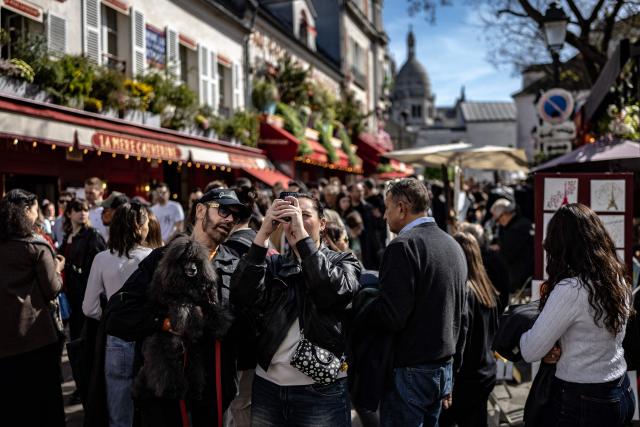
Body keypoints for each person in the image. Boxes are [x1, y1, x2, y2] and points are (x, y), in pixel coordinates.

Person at [104, 188, 248, 427]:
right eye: (223, 210)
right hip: (167, 392)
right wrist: (165, 321)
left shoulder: (236, 265)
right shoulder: (162, 259)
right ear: (200, 210)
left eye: (235, 214)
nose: (230, 219)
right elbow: (117, 314)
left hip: (216, 393)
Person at [231, 193, 361, 426]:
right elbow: (242, 294)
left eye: (304, 215)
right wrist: (263, 233)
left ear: (323, 224)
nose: (295, 221)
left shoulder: (344, 261)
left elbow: (330, 291)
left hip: (322, 390)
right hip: (268, 387)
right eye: (290, 216)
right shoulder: (276, 264)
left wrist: (302, 239)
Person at [363, 178, 467, 427]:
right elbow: (463, 317)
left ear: (402, 208)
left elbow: (393, 315)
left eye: (387, 208)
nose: (385, 216)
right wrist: (451, 373)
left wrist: (362, 302)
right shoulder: (453, 244)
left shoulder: (402, 246)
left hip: (410, 370)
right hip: (442, 367)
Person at [520, 203, 635, 427]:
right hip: (620, 388)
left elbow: (530, 350)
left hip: (583, 398)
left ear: (560, 246)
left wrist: (526, 337)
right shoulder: (616, 277)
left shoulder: (571, 289)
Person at [0, 189, 66, 427]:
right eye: (35, 209)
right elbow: (52, 288)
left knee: (12, 401)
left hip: (5, 339)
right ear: (27, 211)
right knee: (45, 399)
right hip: (36, 335)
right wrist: (58, 268)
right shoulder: (36, 246)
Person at [82, 202, 151, 427]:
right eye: (147, 223)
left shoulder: (102, 259)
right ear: (139, 227)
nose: (149, 227)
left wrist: (110, 317)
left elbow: (89, 308)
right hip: (148, 336)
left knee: (119, 411)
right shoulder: (150, 257)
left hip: (116, 338)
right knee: (150, 408)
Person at [441, 232, 499, 427]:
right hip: (485, 371)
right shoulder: (487, 289)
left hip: (466, 377)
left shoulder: (465, 292)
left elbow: (459, 338)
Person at [61, 198, 107, 340]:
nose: (83, 213)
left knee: (85, 335)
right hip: (69, 293)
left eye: (86, 210)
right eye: (78, 209)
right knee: (73, 334)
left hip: (85, 291)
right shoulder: (67, 236)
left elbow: (99, 266)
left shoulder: (93, 235)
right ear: (69, 213)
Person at [490, 198, 533, 293]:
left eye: (497, 219)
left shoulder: (517, 229)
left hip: (518, 275)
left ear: (505, 214)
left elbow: (505, 255)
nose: (498, 223)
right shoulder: (520, 223)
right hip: (520, 271)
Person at [85, 177, 109, 241]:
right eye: (86, 193)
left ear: (101, 193)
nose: (87, 196)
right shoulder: (84, 212)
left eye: (91, 193)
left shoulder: (108, 212)